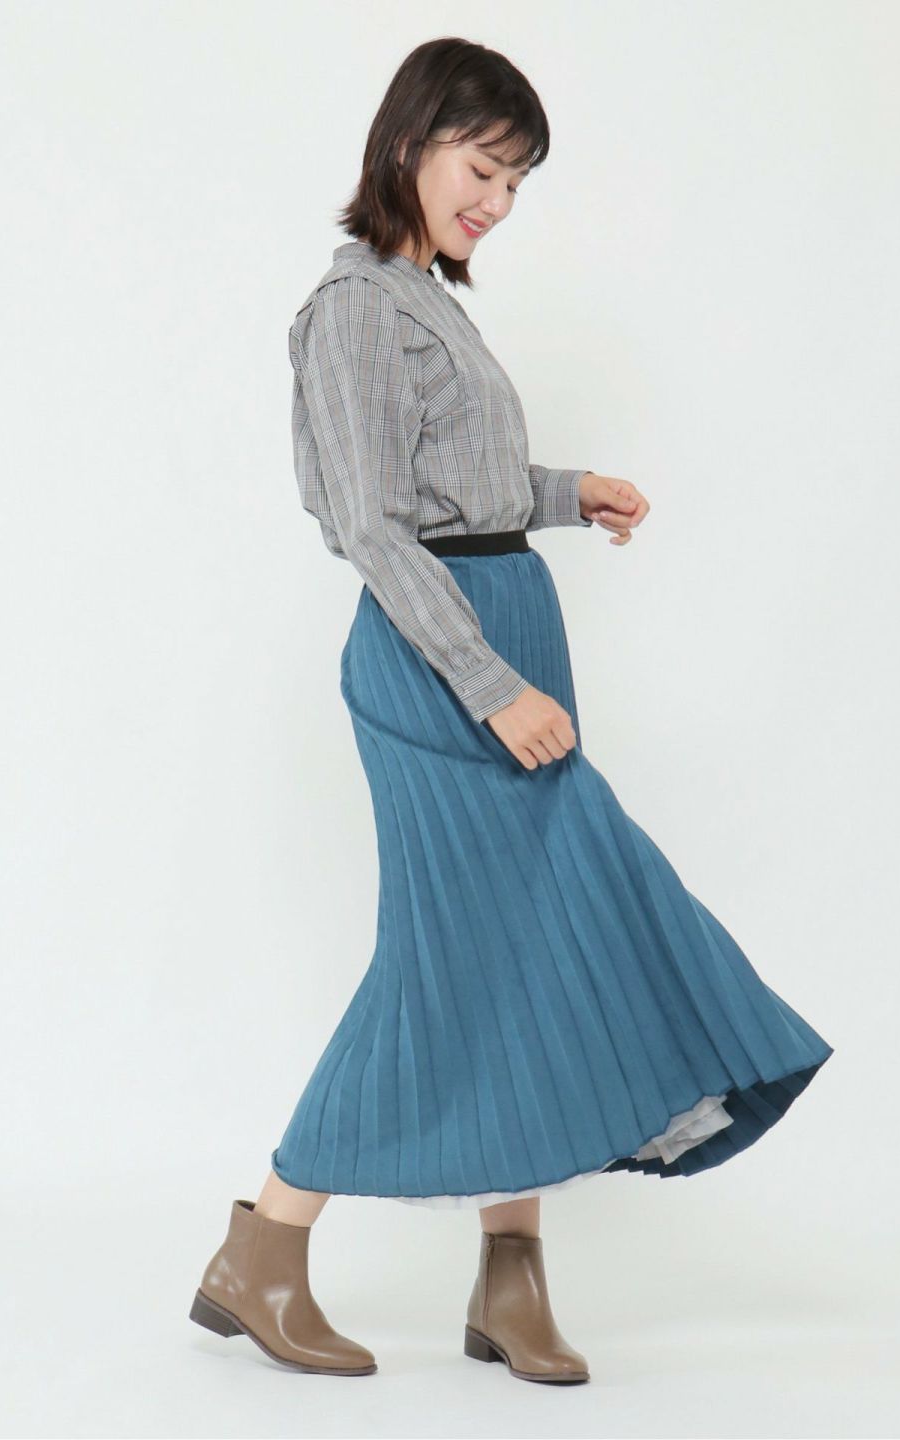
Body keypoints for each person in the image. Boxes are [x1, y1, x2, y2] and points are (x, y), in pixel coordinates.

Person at [189, 36, 834, 1386]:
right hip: (442, 663)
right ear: (408, 142)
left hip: (504, 629)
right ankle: (266, 1246)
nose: (497, 201)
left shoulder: (425, 297)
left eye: (517, 182)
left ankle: (510, 1278)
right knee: (449, 960)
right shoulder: (354, 308)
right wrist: (490, 688)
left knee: (526, 953)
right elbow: (374, 526)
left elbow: (460, 489)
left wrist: (568, 492)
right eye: (482, 168)